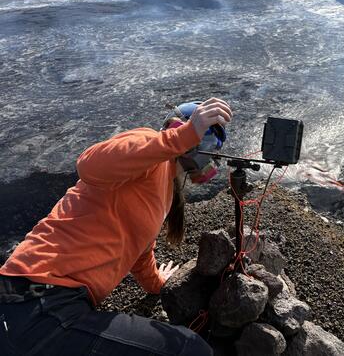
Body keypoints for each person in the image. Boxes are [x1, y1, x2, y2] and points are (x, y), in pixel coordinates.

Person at [0, 97, 232, 356]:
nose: (210, 156)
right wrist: (185, 135)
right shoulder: (148, 146)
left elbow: (139, 247)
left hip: (44, 305)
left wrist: (157, 283)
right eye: (210, 145)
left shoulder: (165, 189)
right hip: (38, 301)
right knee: (189, 349)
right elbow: (89, 165)